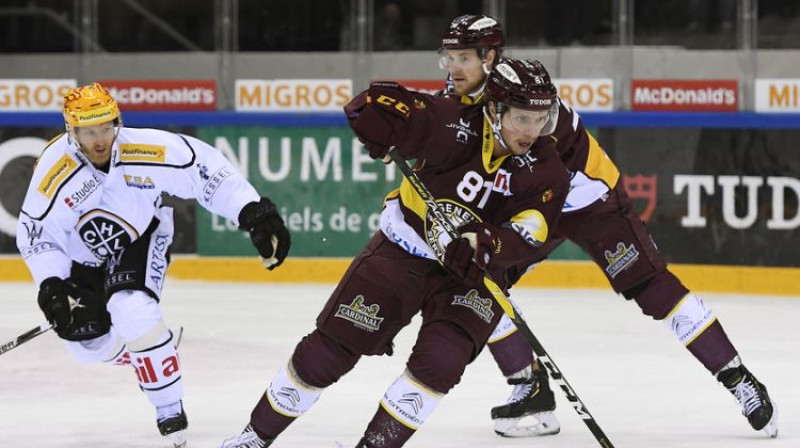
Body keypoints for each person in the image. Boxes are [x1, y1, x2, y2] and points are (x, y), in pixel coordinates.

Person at [438, 13, 778, 439]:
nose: (453, 68)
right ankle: (530, 388)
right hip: (533, 204)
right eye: (449, 57)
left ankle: (738, 378)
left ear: (489, 58)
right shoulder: (456, 98)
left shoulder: (528, 92)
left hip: (588, 200)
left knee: (652, 288)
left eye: (463, 58)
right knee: (476, 279)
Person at [218, 58, 571, 448]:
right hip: (403, 251)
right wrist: (376, 118)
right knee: (329, 351)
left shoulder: (547, 171)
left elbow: (530, 234)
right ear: (493, 108)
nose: (532, 131)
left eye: (541, 120)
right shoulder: (453, 122)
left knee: (439, 364)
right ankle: (254, 438)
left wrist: (485, 244)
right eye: (522, 119)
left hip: (475, 276)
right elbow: (381, 104)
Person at [16, 83, 291, 447]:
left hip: (140, 238)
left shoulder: (143, 148)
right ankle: (152, 349)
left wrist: (252, 211)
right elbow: (37, 233)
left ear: (117, 122)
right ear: (72, 131)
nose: (100, 140)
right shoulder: (55, 170)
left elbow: (204, 169)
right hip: (80, 256)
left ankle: (168, 406)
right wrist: (52, 283)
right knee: (86, 346)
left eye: (106, 127)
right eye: (89, 131)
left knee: (132, 309)